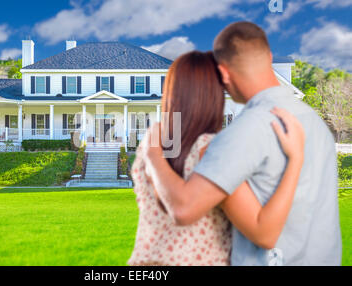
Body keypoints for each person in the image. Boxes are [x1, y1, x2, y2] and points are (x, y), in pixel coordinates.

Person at [142, 22, 342, 266]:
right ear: (268, 57)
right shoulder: (315, 123)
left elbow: (184, 209)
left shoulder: (246, 131)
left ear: (224, 74)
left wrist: (152, 154)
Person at [128, 51, 305, 266]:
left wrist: (153, 155)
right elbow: (264, 234)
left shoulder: (152, 144)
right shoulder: (212, 149)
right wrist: (295, 158)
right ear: (214, 94)